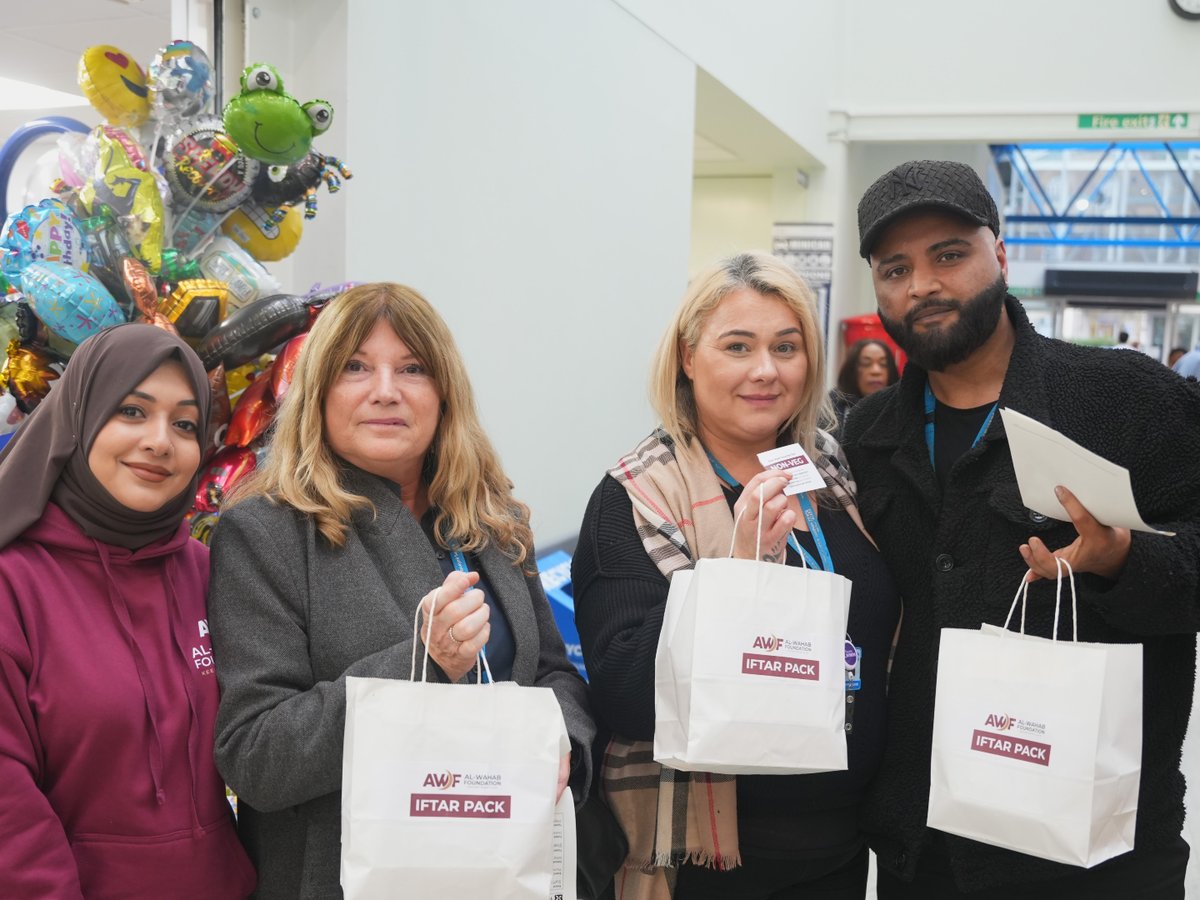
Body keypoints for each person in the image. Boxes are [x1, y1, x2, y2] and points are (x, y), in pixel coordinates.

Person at [845, 159, 1200, 898]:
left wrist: (1124, 561)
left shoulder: (1124, 399)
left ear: (999, 256)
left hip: (1098, 849)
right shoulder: (869, 436)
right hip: (926, 845)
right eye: (895, 268)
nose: (924, 285)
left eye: (949, 255)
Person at [206, 282, 595, 899]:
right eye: (356, 368)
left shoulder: (491, 523)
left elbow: (553, 675)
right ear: (319, 393)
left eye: (412, 368)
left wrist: (564, 742)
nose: (385, 390)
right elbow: (257, 754)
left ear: (444, 395)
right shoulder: (265, 532)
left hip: (497, 871)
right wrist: (421, 663)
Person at [572, 251, 901, 899]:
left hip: (840, 847)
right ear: (689, 359)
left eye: (787, 346)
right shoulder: (638, 495)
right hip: (708, 863)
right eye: (738, 346)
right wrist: (732, 578)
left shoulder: (830, 468)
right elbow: (625, 694)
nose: (766, 370)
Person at [0, 324, 256, 898]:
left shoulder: (209, 572)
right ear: (79, 419)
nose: (161, 442)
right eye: (133, 412)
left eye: (185, 423)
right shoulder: (13, 583)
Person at [830, 338, 900, 431]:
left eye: (883, 364)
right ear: (852, 370)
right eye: (866, 364)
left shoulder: (901, 408)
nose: (876, 371)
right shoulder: (833, 407)